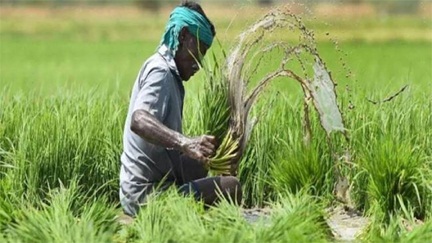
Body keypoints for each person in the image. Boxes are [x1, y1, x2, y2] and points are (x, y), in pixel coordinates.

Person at [119, 1, 242, 217]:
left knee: (201, 165)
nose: (199, 63)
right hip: (146, 197)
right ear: (183, 36)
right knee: (231, 186)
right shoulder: (161, 72)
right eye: (198, 52)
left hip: (144, 188)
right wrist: (185, 142)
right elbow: (139, 120)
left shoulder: (168, 73)